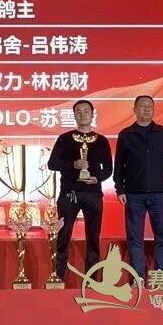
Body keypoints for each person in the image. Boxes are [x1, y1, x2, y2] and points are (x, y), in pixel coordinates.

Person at [113, 95, 163, 287]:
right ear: (134, 109)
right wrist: (119, 189)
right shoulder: (126, 135)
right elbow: (119, 165)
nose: (146, 109)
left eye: (150, 106)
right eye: (142, 106)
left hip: (159, 194)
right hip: (133, 194)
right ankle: (138, 277)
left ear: (153, 109)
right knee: (135, 238)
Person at [47, 99, 113, 281]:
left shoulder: (101, 141)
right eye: (79, 112)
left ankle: (91, 280)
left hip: (93, 194)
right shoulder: (65, 139)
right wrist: (73, 165)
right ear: (74, 115)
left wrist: (97, 178)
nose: (83, 115)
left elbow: (108, 168)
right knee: (63, 236)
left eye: (86, 111)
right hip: (70, 194)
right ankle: (57, 277)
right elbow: (52, 164)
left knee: (93, 238)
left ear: (92, 114)